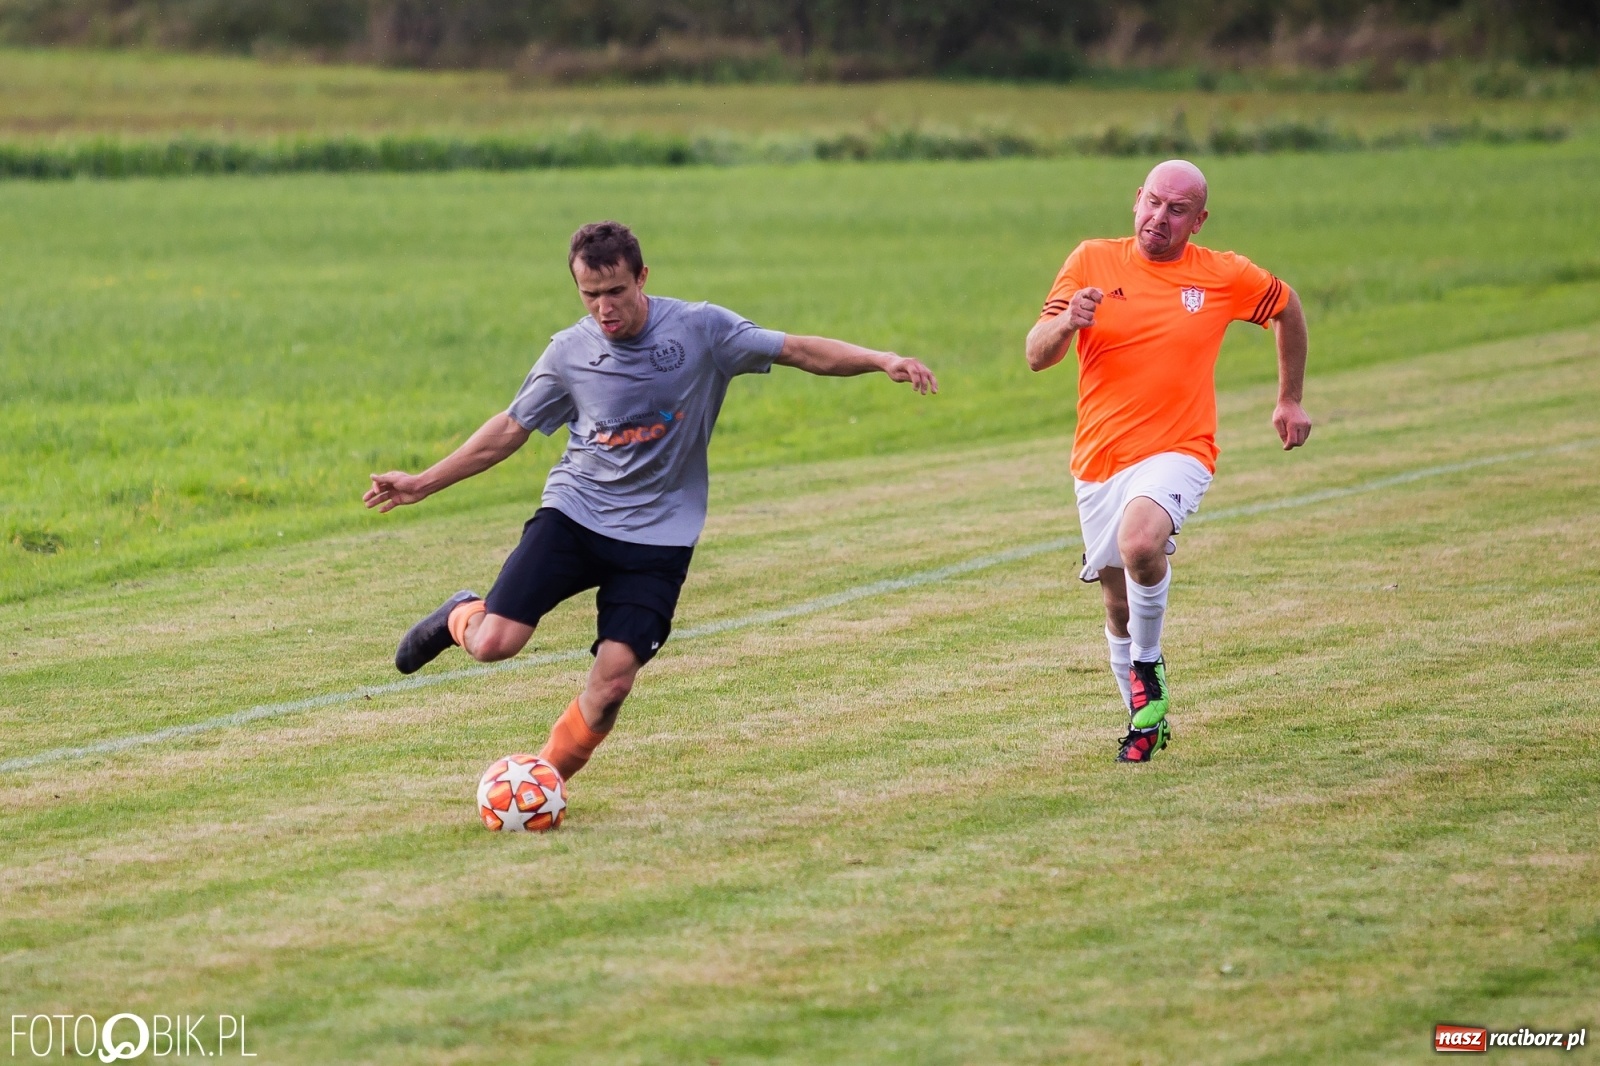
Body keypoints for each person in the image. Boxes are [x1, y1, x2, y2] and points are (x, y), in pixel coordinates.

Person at [364, 220, 937, 784]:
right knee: (494, 644)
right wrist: (421, 482)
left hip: (659, 537)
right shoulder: (569, 353)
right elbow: (510, 430)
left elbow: (799, 350)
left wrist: (880, 358)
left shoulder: (700, 329)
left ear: (642, 277)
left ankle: (544, 782)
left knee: (613, 683)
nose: (604, 308)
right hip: (576, 515)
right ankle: (461, 612)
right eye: (590, 295)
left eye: (615, 292)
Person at [1024, 160, 1311, 763]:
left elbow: (1287, 308)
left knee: (1140, 545)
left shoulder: (1222, 274)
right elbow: (1036, 353)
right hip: (1099, 457)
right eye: (1153, 202)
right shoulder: (1091, 260)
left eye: (1177, 210)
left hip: (1180, 448)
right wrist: (1068, 322)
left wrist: (1288, 398)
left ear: (1198, 220)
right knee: (1116, 600)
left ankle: (1149, 673)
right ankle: (1144, 719)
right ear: (1136, 200)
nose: (1160, 217)